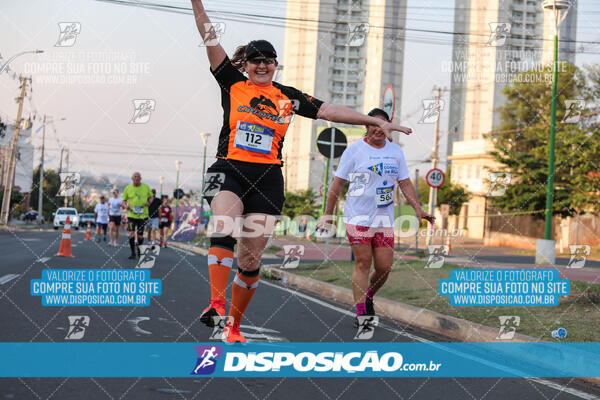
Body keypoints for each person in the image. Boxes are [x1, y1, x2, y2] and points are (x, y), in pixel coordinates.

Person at [191, 0, 413, 343]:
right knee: (224, 223)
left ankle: (233, 326)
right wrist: (197, 3)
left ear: (276, 65)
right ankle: (216, 305)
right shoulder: (232, 83)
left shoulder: (287, 97)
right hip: (229, 170)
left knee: (250, 259)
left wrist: (372, 120)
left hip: (268, 179)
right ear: (246, 65)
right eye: (256, 60)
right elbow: (208, 37)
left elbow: (331, 111)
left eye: (268, 60)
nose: (262, 65)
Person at [318, 108, 435, 328]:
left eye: (383, 124)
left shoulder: (395, 152)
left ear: (388, 126)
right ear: (367, 126)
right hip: (357, 217)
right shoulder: (354, 151)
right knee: (363, 262)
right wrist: (327, 214)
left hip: (383, 219)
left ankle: (369, 295)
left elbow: (405, 183)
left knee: (384, 267)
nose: (378, 129)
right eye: (374, 124)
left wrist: (418, 209)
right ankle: (361, 312)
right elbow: (337, 184)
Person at [122, 172, 153, 259]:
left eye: (138, 177)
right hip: (132, 215)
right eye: (135, 177)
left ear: (140, 178)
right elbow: (124, 200)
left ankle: (139, 252)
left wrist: (149, 202)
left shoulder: (145, 187)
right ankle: (133, 253)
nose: (136, 178)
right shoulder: (128, 188)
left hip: (143, 215)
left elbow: (151, 196)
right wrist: (125, 206)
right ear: (132, 178)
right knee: (131, 233)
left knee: (140, 235)